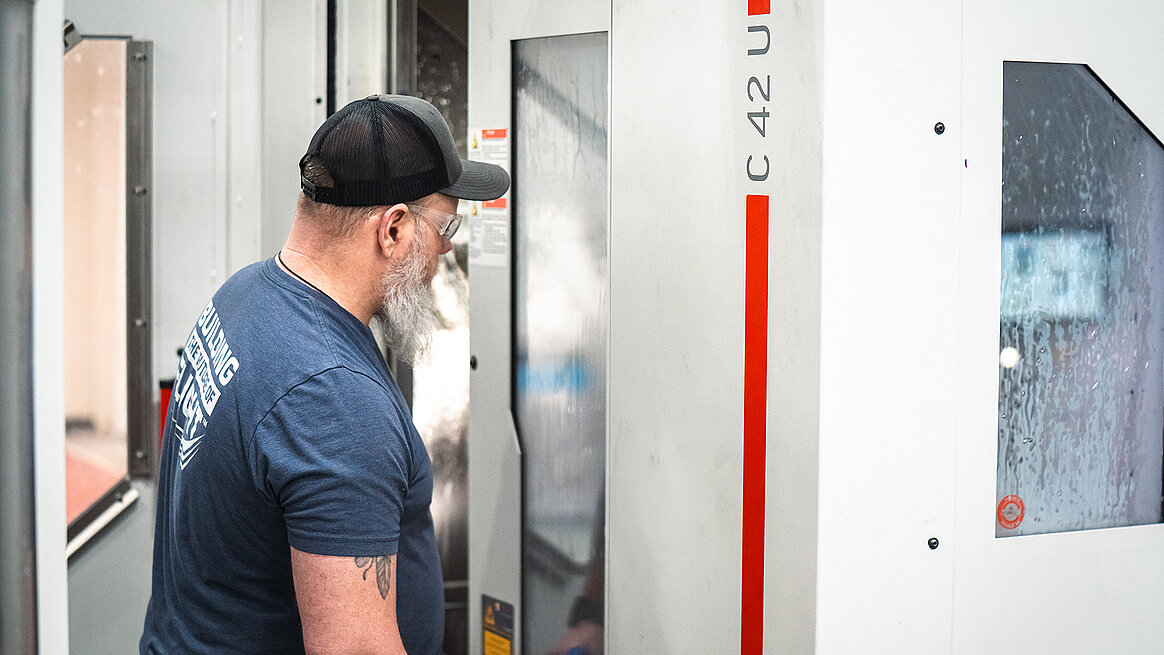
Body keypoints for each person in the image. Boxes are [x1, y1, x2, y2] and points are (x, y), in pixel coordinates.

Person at [140, 94, 509, 655]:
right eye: (445, 225)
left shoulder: (242, 296)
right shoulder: (334, 400)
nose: (446, 249)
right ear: (393, 229)